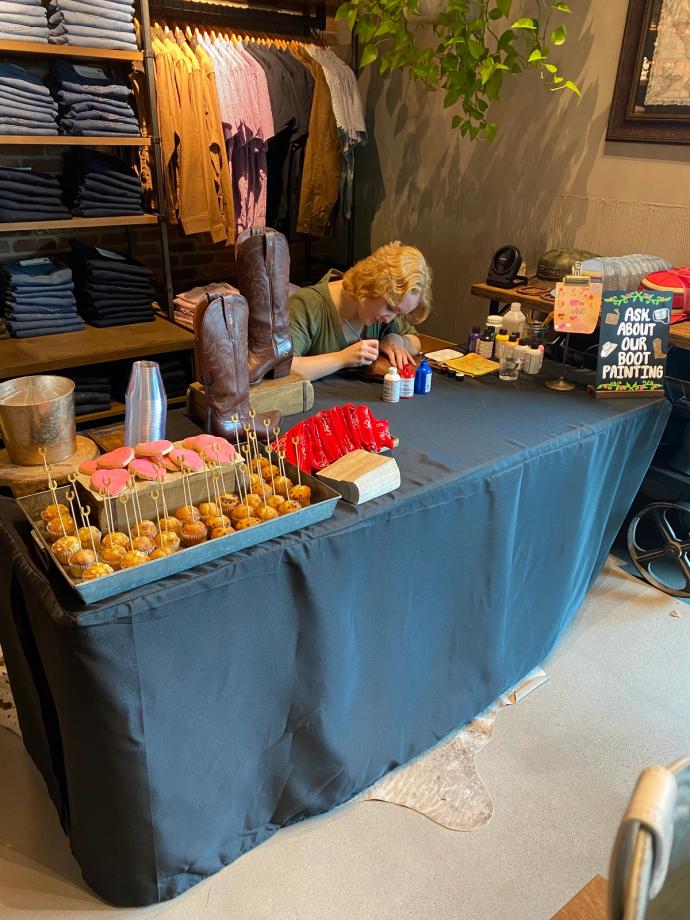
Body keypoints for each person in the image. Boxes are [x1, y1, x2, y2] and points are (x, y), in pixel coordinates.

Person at [288, 241, 432, 381]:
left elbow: (415, 342)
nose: (389, 319)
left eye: (399, 314)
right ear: (373, 285)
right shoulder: (306, 305)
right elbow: (283, 370)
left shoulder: (386, 312)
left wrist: (396, 340)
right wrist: (341, 359)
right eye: (390, 308)